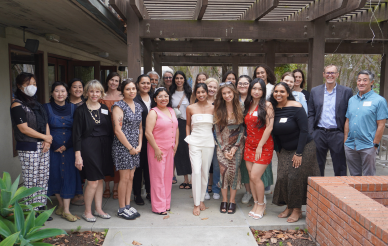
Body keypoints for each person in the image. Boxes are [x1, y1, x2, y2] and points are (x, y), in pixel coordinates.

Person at [270, 82, 320, 223]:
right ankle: (288, 206)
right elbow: (274, 133)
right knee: (282, 177)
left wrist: (299, 153)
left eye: (282, 91)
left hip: (304, 147)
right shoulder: (273, 108)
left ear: (287, 93)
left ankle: (297, 209)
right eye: (276, 91)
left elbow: (304, 131)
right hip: (285, 148)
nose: (278, 94)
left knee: (294, 177)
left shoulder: (296, 107)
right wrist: (279, 151)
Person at [10, 72, 53, 221]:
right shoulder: (17, 105)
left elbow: (45, 122)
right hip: (28, 146)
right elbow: (23, 128)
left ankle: (41, 208)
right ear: (19, 86)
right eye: (28, 84)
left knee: (43, 177)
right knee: (30, 179)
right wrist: (44, 137)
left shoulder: (37, 104)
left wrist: (47, 141)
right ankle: (30, 212)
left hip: (43, 146)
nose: (32, 87)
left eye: (34, 84)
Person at [73, 80, 114, 222]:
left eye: (97, 91)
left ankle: (99, 209)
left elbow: (110, 130)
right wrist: (78, 155)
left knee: (100, 179)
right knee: (92, 181)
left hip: (104, 146)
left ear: (101, 93)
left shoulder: (104, 108)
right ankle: (87, 211)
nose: (94, 94)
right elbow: (76, 134)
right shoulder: (80, 110)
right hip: (88, 146)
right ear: (86, 93)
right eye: (91, 91)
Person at [44, 81, 82, 222]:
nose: (60, 94)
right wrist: (53, 144)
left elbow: (78, 130)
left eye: (63, 91)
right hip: (52, 148)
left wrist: (68, 145)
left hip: (70, 148)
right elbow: (44, 126)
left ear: (67, 93)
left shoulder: (74, 108)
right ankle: (60, 205)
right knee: (54, 175)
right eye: (57, 91)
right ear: (52, 93)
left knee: (69, 176)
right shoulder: (46, 108)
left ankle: (66, 210)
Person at [308, 65, 353, 176]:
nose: (330, 75)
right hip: (319, 133)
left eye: (333, 73)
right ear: (324, 74)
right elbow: (311, 113)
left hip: (337, 133)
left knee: (340, 166)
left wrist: (346, 134)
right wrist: (311, 133)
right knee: (317, 166)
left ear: (337, 74)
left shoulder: (346, 91)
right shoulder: (315, 91)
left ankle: (340, 190)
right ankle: (317, 191)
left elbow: (349, 114)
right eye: (328, 73)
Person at [344, 70, 388, 176]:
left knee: (369, 179)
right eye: (359, 80)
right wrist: (345, 141)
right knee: (354, 178)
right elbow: (347, 121)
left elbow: (381, 125)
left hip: (368, 146)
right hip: (350, 145)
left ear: (371, 82)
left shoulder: (379, 101)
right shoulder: (352, 100)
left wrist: (375, 145)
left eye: (365, 80)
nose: (361, 83)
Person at [112, 80, 143, 220]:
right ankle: (122, 208)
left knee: (131, 177)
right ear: (122, 91)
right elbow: (118, 131)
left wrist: (139, 145)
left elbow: (140, 128)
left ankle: (128, 205)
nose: (132, 91)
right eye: (128, 89)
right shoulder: (119, 106)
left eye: (133, 89)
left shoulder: (138, 106)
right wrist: (130, 147)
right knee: (124, 178)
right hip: (123, 147)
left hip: (135, 147)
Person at [244, 78, 274, 219]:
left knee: (256, 176)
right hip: (249, 144)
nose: (256, 91)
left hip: (263, 145)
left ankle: (261, 204)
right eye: (254, 88)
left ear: (263, 91)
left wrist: (260, 146)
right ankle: (255, 203)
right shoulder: (248, 104)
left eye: (260, 89)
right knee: (251, 176)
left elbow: (269, 127)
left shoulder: (267, 105)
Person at [145, 87, 179, 215]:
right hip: (157, 149)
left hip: (170, 148)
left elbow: (175, 128)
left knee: (168, 177)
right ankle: (158, 207)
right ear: (155, 99)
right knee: (157, 178)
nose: (163, 99)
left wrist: (175, 143)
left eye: (166, 96)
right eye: (160, 96)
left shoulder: (171, 111)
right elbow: (148, 133)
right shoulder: (153, 112)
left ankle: (166, 203)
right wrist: (156, 149)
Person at [214, 82, 245, 214]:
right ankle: (224, 200)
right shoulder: (218, 108)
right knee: (224, 172)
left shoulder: (241, 107)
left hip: (237, 145)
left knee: (234, 172)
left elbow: (243, 129)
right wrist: (224, 149)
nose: (227, 95)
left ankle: (232, 201)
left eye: (229, 93)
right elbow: (217, 131)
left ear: (234, 93)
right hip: (222, 145)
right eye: (224, 93)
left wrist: (236, 147)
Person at [185, 83, 215, 216]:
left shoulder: (213, 108)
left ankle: (202, 199)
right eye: (198, 92)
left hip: (208, 142)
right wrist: (188, 139)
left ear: (207, 92)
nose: (201, 94)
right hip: (194, 142)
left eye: (203, 92)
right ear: (195, 94)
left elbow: (214, 127)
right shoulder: (190, 108)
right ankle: (196, 203)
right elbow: (187, 125)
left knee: (204, 171)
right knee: (196, 171)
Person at [252, 64, 276, 194]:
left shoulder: (273, 89)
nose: (260, 75)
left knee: (265, 162)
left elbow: (269, 125)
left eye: (262, 72)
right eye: (258, 73)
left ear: (267, 73)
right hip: (252, 133)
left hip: (267, 130)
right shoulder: (250, 101)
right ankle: (254, 192)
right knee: (253, 170)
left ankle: (266, 187)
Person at [100, 72, 123, 200]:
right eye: (111, 80)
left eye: (116, 81)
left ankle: (115, 187)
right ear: (107, 81)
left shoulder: (122, 96)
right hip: (104, 132)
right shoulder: (101, 96)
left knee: (117, 160)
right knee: (106, 159)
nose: (113, 83)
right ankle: (107, 186)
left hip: (119, 132)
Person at [170, 71, 192, 189]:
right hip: (174, 123)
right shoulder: (170, 93)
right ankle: (184, 179)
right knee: (178, 151)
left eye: (181, 78)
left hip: (186, 124)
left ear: (184, 80)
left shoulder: (189, 93)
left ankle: (189, 179)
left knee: (187, 150)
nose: (179, 80)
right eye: (177, 78)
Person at [133, 75, 152, 205]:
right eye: (143, 83)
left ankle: (150, 193)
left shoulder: (154, 98)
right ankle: (137, 194)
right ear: (138, 84)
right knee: (139, 167)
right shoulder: (134, 99)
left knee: (150, 167)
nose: (146, 85)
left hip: (154, 137)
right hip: (139, 137)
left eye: (148, 83)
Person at [68, 78, 85, 206]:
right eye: (75, 87)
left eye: (80, 87)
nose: (78, 89)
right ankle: (70, 194)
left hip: (83, 140)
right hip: (66, 140)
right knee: (69, 168)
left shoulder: (86, 104)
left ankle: (80, 194)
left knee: (81, 168)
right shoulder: (63, 103)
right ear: (69, 89)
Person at [236, 75, 253, 204]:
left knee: (255, 166)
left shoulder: (254, 99)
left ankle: (258, 192)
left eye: (245, 83)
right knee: (243, 166)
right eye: (240, 83)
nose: (242, 85)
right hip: (236, 137)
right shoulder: (233, 99)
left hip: (252, 136)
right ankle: (248, 192)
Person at [204, 78, 221, 200]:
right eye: (210, 86)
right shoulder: (200, 100)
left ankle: (216, 189)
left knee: (216, 165)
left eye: (214, 87)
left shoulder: (220, 102)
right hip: (204, 135)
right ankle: (204, 190)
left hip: (217, 136)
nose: (212, 89)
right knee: (204, 164)